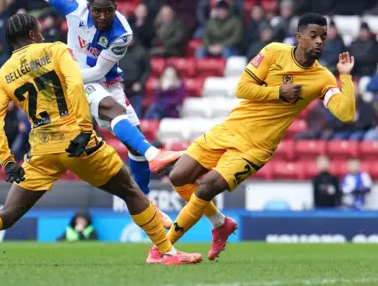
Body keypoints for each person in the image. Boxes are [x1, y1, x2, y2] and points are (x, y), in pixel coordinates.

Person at [0, 14, 201, 267]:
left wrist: (6, 161)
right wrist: (83, 130)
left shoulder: (1, 75)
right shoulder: (54, 49)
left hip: (42, 149)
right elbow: (76, 84)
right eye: (38, 31)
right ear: (31, 35)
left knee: (9, 212)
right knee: (130, 191)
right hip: (77, 141)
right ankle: (165, 253)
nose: (41, 34)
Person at [0, 0, 182, 228]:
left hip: (102, 78)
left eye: (108, 11)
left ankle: (148, 203)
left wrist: (66, 75)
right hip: (73, 79)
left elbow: (98, 71)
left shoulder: (123, 32)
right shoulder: (74, 6)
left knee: (133, 146)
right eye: (97, 11)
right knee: (114, 112)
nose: (102, 16)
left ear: (116, 8)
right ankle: (154, 155)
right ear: (89, 7)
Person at [147, 14, 356, 263]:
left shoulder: (321, 78)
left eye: (323, 36)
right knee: (178, 177)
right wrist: (278, 92)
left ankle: (164, 247)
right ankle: (220, 223)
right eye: (313, 36)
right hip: (230, 129)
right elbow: (242, 88)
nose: (319, 41)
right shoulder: (274, 52)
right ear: (299, 36)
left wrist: (345, 77)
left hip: (256, 147)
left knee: (207, 187)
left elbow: (346, 114)